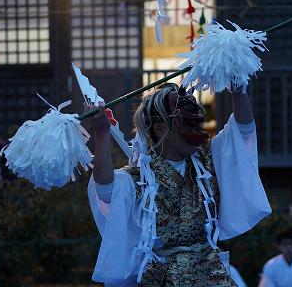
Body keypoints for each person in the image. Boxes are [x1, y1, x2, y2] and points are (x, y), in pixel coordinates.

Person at [85, 83, 272, 286]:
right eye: (186, 125)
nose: (196, 132)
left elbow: (242, 131)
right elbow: (105, 190)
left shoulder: (207, 160)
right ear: (160, 128)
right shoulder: (141, 175)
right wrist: (102, 133)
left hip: (210, 273)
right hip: (162, 278)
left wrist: (239, 92)